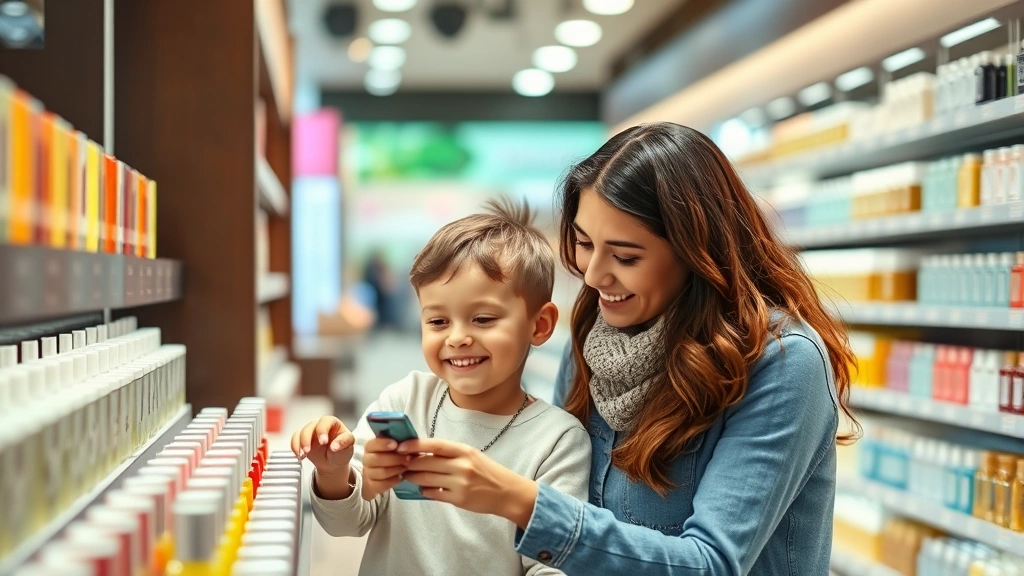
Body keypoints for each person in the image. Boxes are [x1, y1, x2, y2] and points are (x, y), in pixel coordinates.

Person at [393, 122, 858, 575]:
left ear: (696, 250)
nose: (593, 275)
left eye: (625, 256)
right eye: (583, 243)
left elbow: (711, 563)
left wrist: (522, 500)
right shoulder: (596, 335)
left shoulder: (779, 361)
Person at [290, 199, 591, 576]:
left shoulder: (557, 441)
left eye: (482, 319)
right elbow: (347, 523)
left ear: (540, 325)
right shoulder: (405, 401)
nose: (458, 338)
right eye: (437, 321)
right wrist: (333, 472)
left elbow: (552, 565)